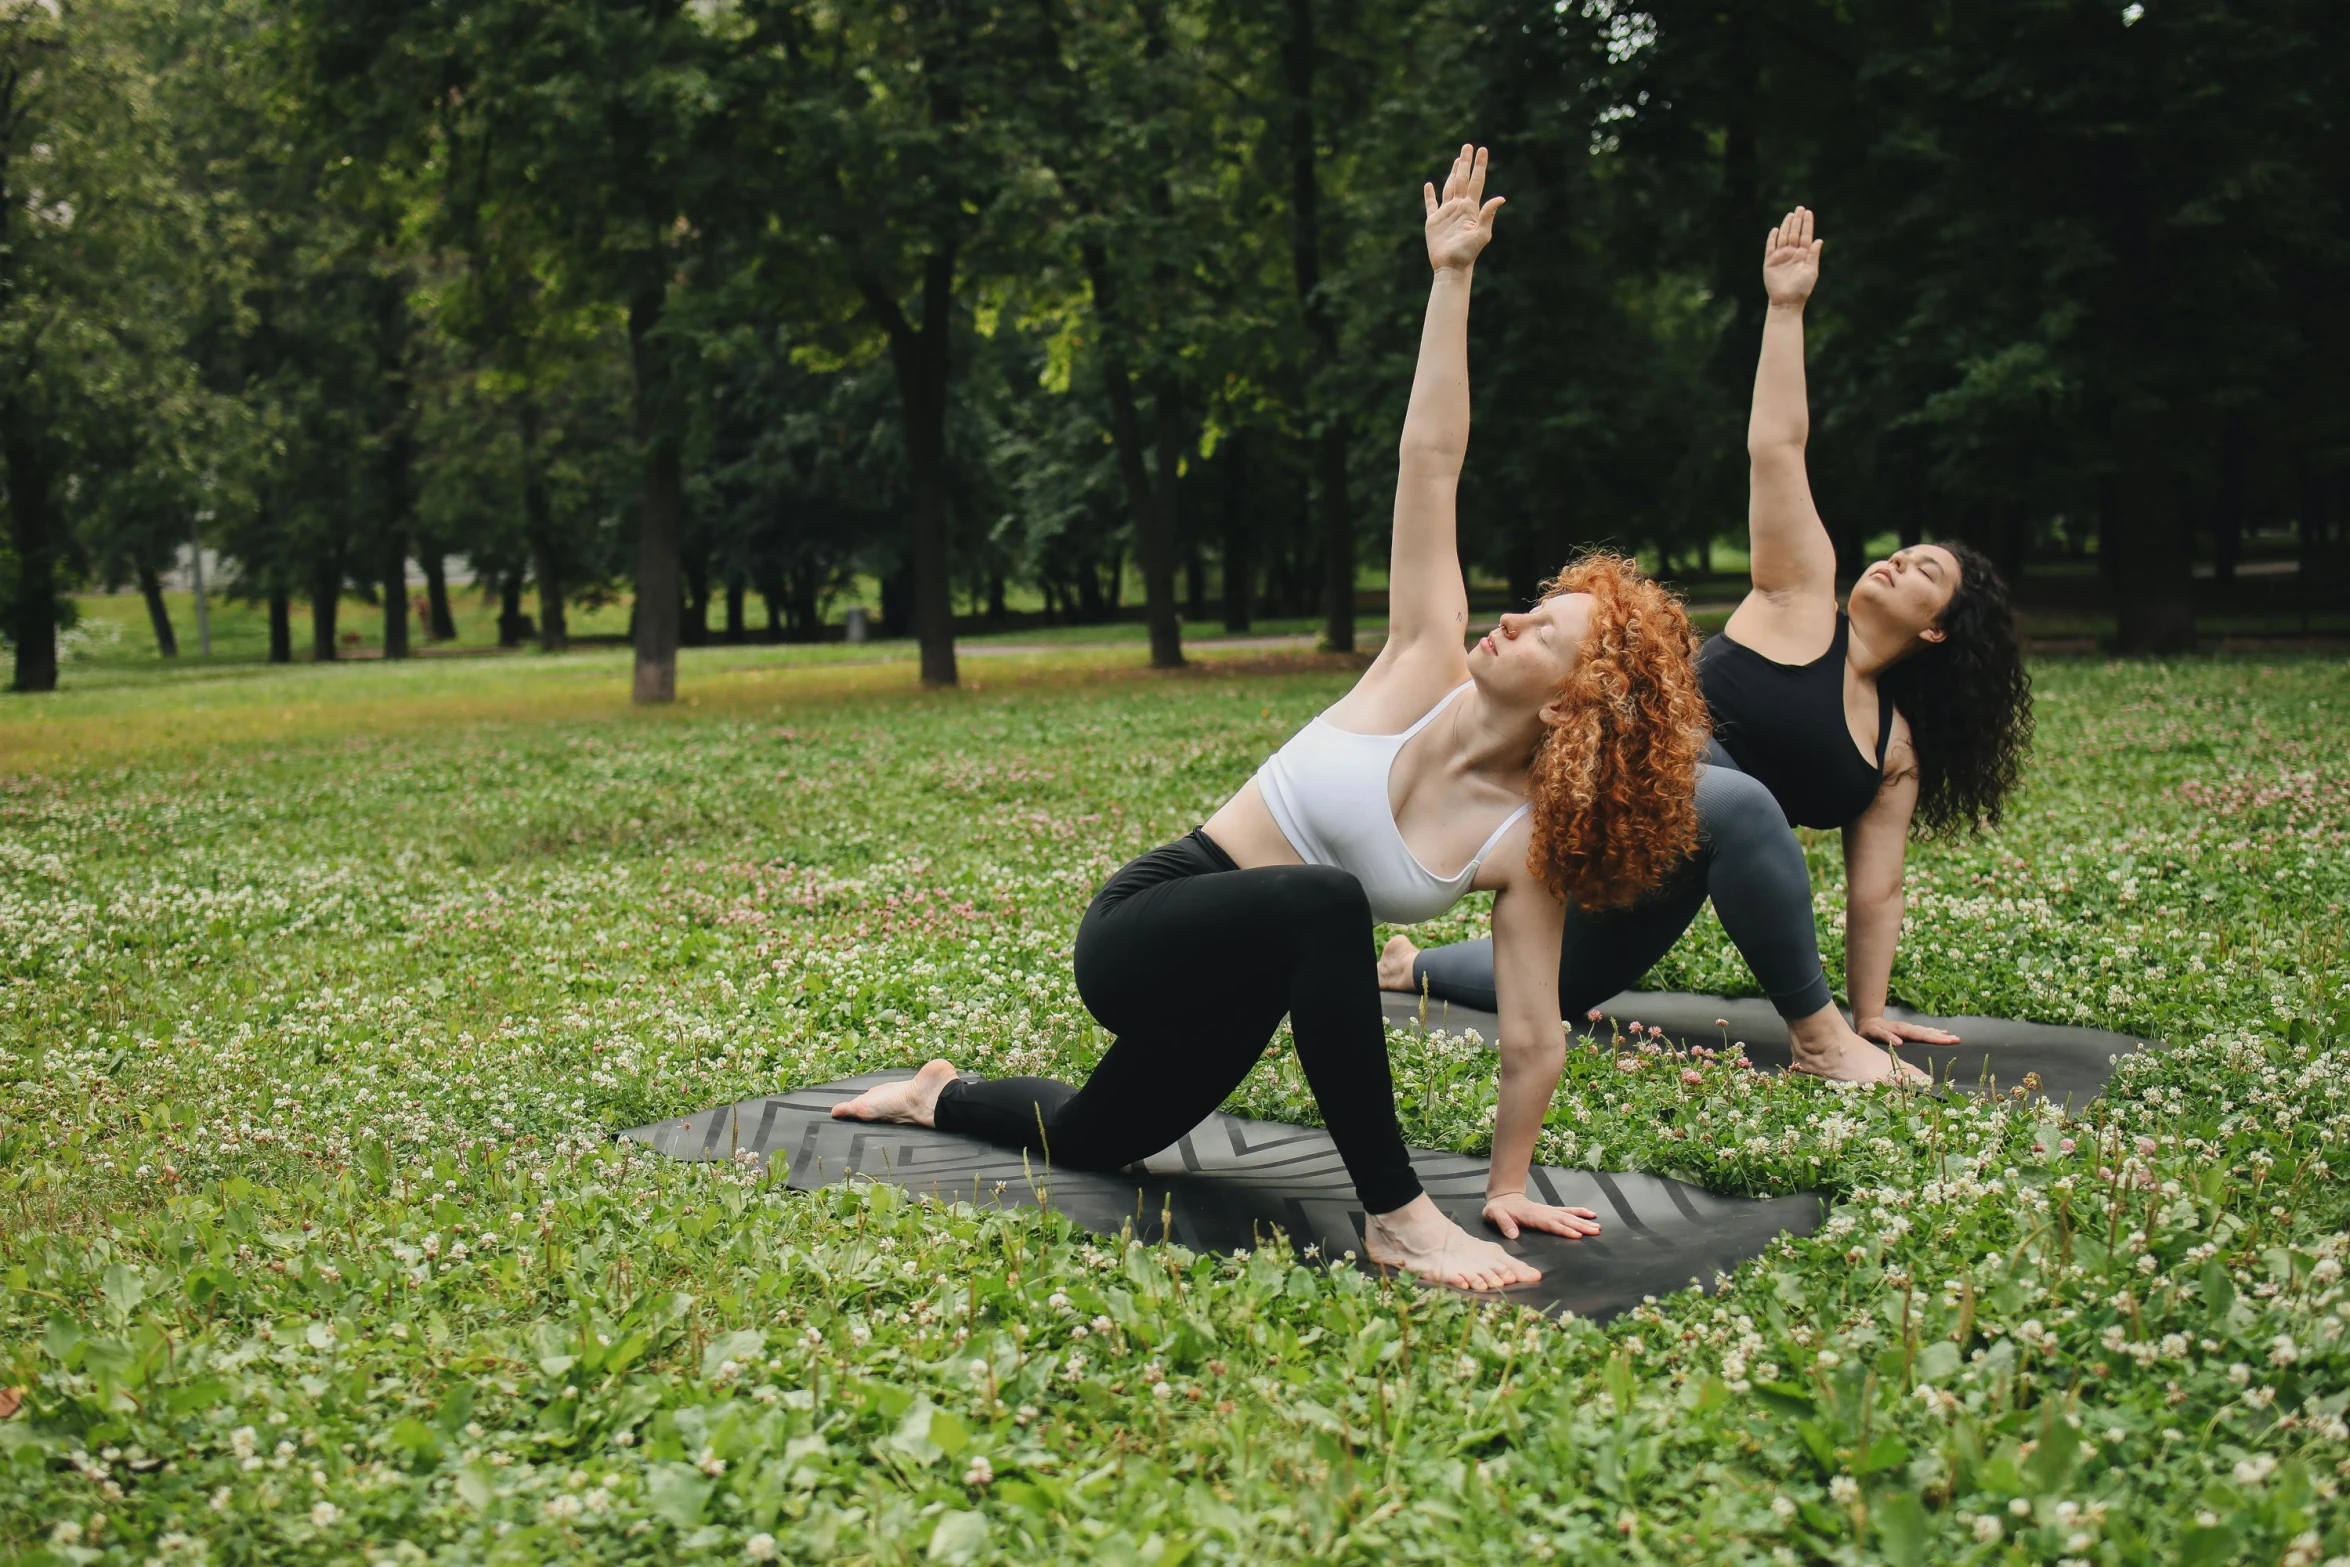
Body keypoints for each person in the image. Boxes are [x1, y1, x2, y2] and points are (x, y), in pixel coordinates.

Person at [832, 146, 1712, 1291]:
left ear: (1573, 702)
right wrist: (1451, 280)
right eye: (1530, 605)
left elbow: (1534, 1029)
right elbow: (1430, 459)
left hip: (1254, 976)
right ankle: (1394, 1215)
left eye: (1544, 628)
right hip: (1151, 923)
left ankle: (934, 1089)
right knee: (1327, 900)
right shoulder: (1418, 659)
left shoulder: (1522, 842)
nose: (1510, 617)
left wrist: (1505, 1184)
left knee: (1101, 1136)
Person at [1384, 206, 2033, 1084]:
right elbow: (1778, 447)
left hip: (1661, 863)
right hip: (1605, 789)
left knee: (1570, 979)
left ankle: (1412, 964)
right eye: (1899, 550)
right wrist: (1786, 311)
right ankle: (1817, 1040)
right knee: (1741, 799)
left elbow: (1876, 888)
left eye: (1923, 572)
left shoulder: (1893, 750)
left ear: (1937, 629)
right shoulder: (1802, 595)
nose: (1893, 562)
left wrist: (1876, 1012)